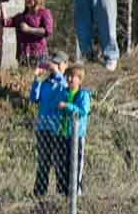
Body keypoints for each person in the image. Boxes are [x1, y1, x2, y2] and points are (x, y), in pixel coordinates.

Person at [30, 57, 92, 197]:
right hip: (53, 130)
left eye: (58, 63)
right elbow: (34, 98)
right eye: (53, 63)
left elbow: (82, 109)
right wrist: (37, 79)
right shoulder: (51, 85)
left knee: (74, 165)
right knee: (53, 163)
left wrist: (58, 73)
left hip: (71, 133)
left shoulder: (66, 86)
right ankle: (49, 193)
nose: (53, 66)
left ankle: (75, 194)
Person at [11, 0, 55, 69]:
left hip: (38, 54)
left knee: (38, 79)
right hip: (23, 55)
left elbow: (48, 31)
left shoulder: (44, 13)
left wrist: (29, 29)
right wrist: (0, 6)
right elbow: (6, 22)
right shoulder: (20, 16)